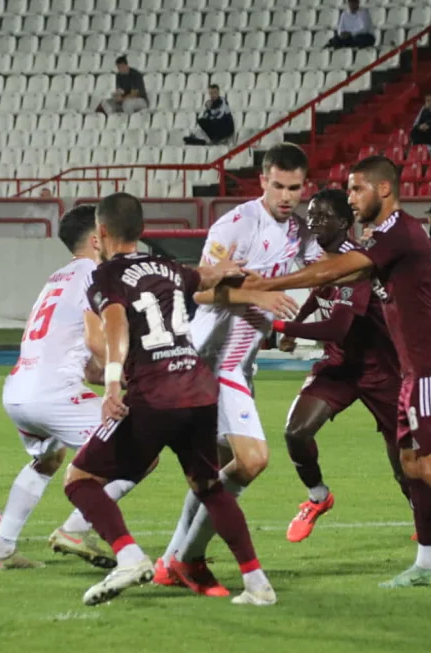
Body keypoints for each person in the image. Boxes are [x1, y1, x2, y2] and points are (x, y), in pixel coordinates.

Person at [246, 155, 431, 599]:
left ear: (382, 189)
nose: (350, 197)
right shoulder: (381, 237)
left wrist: (266, 285)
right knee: (412, 465)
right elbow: (335, 273)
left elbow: (337, 270)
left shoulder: (398, 231)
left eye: (356, 189)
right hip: (411, 369)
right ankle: (428, 563)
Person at [66, 192, 278, 607]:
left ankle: (128, 557)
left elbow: (114, 321)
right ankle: (257, 585)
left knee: (79, 480)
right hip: (198, 388)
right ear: (141, 230)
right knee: (209, 487)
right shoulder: (167, 267)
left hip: (154, 393)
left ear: (101, 232)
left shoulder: (105, 276)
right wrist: (226, 270)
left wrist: (112, 383)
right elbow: (201, 277)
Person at [152, 144, 320, 596]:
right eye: (278, 186)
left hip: (240, 366)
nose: (286, 196)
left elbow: (323, 271)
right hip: (213, 359)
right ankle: (186, 559)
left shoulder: (300, 230)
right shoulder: (236, 225)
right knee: (251, 460)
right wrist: (256, 296)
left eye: (294, 188)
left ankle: (170, 562)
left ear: (304, 187)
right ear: (263, 180)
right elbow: (199, 291)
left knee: (214, 475)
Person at [0, 205, 145, 571]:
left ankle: (1, 552)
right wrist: (129, 375)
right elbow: (94, 340)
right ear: (97, 238)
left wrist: (102, 374)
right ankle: (76, 529)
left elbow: (77, 353)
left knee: (48, 459)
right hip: (52, 393)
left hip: (18, 391)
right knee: (141, 451)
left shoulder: (57, 278)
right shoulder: (95, 274)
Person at [274, 190, 406, 542]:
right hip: (339, 366)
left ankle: (426, 525)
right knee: (296, 432)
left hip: (381, 370)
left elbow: (337, 328)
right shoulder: (328, 259)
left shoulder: (357, 263)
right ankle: (318, 497)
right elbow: (320, 290)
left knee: (405, 468)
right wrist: (296, 322)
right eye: (311, 215)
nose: (314, 222)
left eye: (322, 216)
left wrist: (282, 327)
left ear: (344, 223)